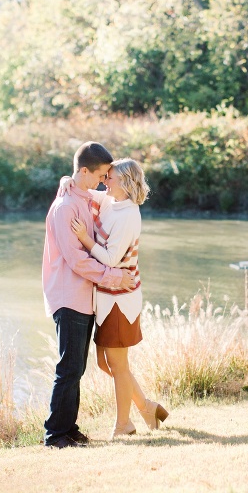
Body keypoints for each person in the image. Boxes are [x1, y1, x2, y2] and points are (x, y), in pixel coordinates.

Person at [64, 158, 169, 439]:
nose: (104, 181)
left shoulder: (128, 216)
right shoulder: (112, 201)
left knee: (119, 366)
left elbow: (111, 259)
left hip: (121, 302)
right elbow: (86, 190)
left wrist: (85, 238)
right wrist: (66, 181)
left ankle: (123, 425)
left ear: (124, 182)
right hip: (106, 298)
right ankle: (146, 407)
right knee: (105, 363)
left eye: (109, 177)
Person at [42, 142, 137, 449]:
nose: (102, 180)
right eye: (99, 174)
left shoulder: (81, 196)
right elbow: (76, 260)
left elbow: (104, 199)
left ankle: (69, 429)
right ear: (84, 171)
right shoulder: (66, 207)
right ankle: (55, 435)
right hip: (69, 296)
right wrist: (113, 277)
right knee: (68, 367)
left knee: (76, 368)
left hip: (85, 296)